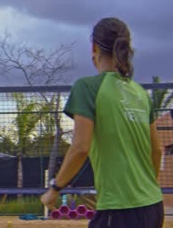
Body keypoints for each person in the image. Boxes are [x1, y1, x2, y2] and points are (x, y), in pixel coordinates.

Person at [41, 17, 164, 228]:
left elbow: (80, 147)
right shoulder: (140, 93)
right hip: (153, 205)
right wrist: (142, 189)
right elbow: (157, 151)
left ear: (94, 48)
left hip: (119, 210)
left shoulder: (87, 87)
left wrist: (55, 188)